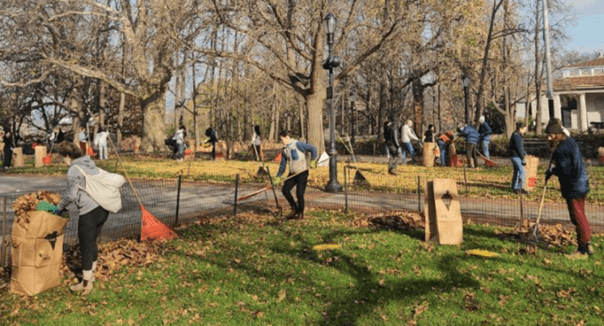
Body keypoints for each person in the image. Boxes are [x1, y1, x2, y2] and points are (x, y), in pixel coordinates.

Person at [54, 141, 109, 293]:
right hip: (103, 208)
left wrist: (59, 208)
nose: (63, 162)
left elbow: (71, 194)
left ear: (67, 156)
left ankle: (86, 284)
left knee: (85, 246)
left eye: (63, 158)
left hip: (89, 211)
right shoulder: (89, 163)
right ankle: (91, 276)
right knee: (92, 243)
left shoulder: (73, 169)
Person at [545, 118, 594, 257]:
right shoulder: (570, 142)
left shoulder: (562, 149)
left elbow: (565, 170)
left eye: (550, 135)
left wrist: (553, 171)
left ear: (556, 135)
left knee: (577, 217)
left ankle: (582, 249)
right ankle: (587, 244)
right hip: (581, 183)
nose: (548, 138)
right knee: (581, 215)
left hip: (573, 186)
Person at [273, 130, 317, 220]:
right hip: (292, 173)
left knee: (299, 194)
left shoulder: (298, 144)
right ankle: (295, 209)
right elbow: (283, 165)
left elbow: (313, 149)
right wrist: (278, 176)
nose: (281, 142)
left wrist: (313, 160)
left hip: (302, 173)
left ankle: (300, 213)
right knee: (285, 190)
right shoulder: (284, 150)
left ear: (287, 137)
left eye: (282, 139)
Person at [509, 121, 528, 194]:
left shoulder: (516, 135)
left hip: (514, 155)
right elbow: (519, 148)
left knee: (517, 171)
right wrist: (523, 158)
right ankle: (521, 188)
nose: (525, 130)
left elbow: (520, 147)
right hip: (516, 156)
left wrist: (524, 152)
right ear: (521, 128)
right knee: (522, 171)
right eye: (524, 129)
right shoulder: (517, 136)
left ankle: (515, 187)